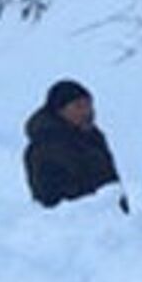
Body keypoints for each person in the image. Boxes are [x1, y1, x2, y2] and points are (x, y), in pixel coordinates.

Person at [23, 78, 121, 207]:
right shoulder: (45, 146)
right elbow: (51, 198)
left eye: (89, 105)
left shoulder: (93, 138)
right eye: (78, 106)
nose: (87, 112)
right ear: (60, 111)